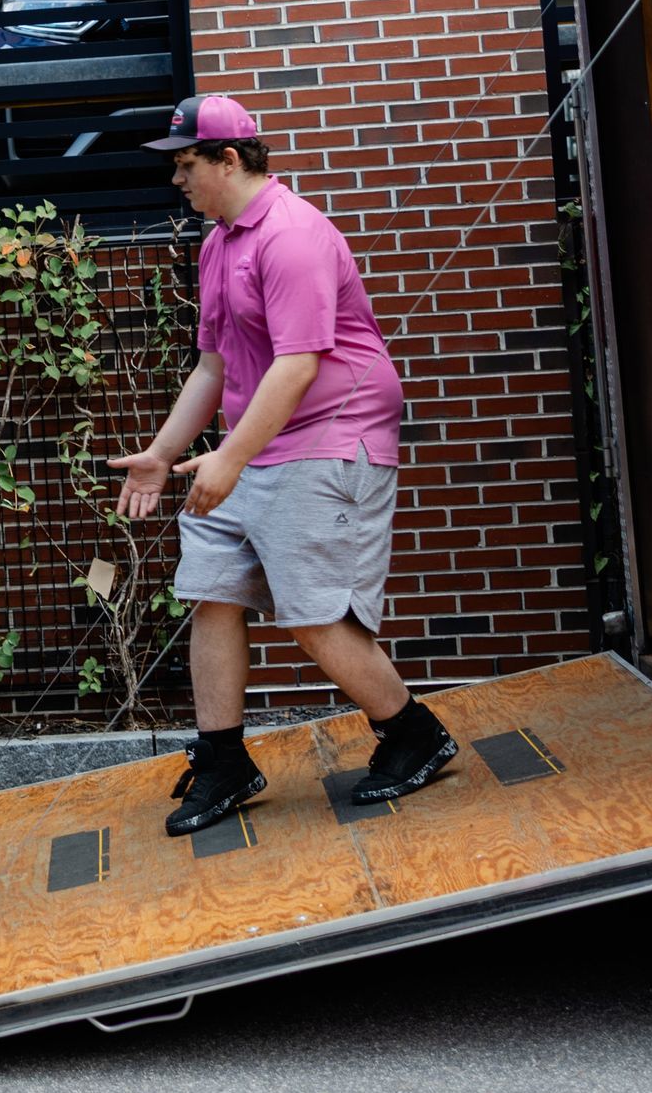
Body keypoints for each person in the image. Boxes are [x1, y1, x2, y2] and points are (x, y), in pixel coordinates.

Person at [110, 93, 455, 836]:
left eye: (185, 164)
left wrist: (228, 459)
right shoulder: (218, 243)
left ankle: (414, 733)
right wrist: (164, 454)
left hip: (332, 435)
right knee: (212, 591)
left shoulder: (292, 236)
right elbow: (213, 366)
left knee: (313, 614)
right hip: (262, 444)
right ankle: (224, 758)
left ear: (228, 160)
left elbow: (299, 363)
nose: (177, 179)